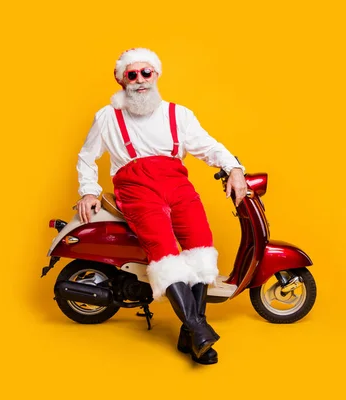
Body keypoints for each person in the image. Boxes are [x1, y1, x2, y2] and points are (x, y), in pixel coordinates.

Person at [75, 47, 247, 365]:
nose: (140, 79)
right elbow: (87, 157)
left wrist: (233, 167)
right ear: (121, 80)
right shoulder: (107, 118)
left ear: (156, 75)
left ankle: (190, 335)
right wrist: (89, 191)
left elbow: (207, 146)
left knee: (201, 245)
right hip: (136, 189)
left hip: (177, 186)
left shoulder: (178, 114)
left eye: (146, 73)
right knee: (163, 249)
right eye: (132, 74)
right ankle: (197, 328)